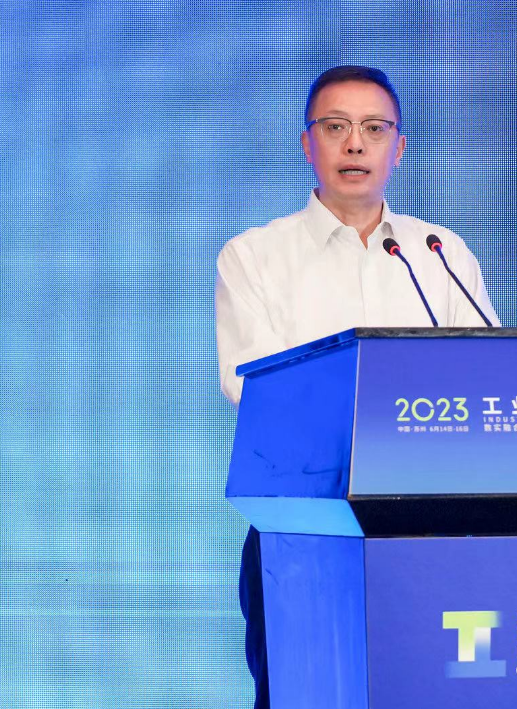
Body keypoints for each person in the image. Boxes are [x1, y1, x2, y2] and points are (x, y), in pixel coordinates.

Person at [214, 65, 500, 707]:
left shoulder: (440, 252)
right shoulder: (254, 256)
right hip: (304, 528)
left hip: (434, 527)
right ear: (306, 143)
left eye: (374, 129)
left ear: (399, 147)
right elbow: (250, 386)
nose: (354, 144)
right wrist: (395, 412)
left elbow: (488, 374)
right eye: (335, 127)